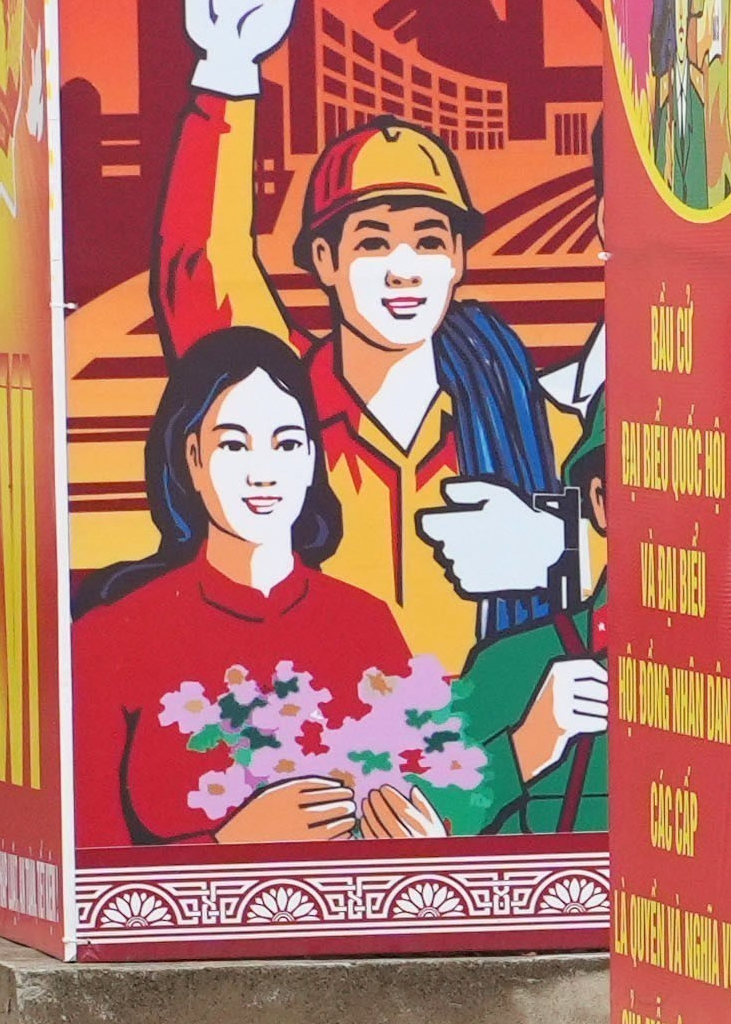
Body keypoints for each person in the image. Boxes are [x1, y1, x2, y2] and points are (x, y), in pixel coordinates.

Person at [155, 0, 608, 796]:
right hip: (302, 766)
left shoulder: (537, 424)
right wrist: (227, 77)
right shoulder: (277, 415)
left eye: (429, 241)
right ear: (324, 262)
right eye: (372, 242)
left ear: (460, 262)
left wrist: (566, 553)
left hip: (490, 770)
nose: (403, 268)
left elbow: (656, 570)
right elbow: (204, 269)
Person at [74, 328, 471, 846]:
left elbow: (428, 796)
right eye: (233, 444)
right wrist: (232, 847)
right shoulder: (109, 640)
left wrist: (428, 842)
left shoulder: (365, 624)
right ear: (193, 457)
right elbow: (89, 863)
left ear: (310, 460)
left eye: (285, 444)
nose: (263, 473)